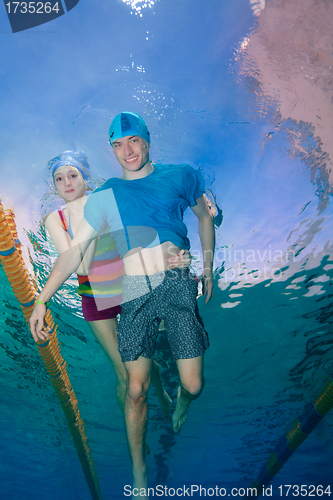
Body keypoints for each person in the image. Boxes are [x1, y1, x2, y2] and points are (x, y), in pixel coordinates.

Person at [30, 112, 215, 498]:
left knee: (194, 386)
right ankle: (140, 471)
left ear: (147, 140)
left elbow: (205, 217)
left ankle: (181, 403)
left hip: (178, 284)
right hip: (133, 291)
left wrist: (209, 268)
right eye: (118, 145)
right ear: (111, 150)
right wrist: (41, 300)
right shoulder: (106, 194)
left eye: (133, 141)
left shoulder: (180, 174)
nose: (127, 151)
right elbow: (75, 254)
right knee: (133, 388)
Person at [41, 150, 185, 417]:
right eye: (59, 179)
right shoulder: (55, 219)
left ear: (85, 178)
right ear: (55, 186)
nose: (67, 183)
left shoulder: (109, 198)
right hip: (94, 298)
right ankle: (139, 425)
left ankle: (162, 396)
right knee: (124, 374)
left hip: (130, 290)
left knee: (141, 363)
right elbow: (81, 266)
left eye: (73, 175)